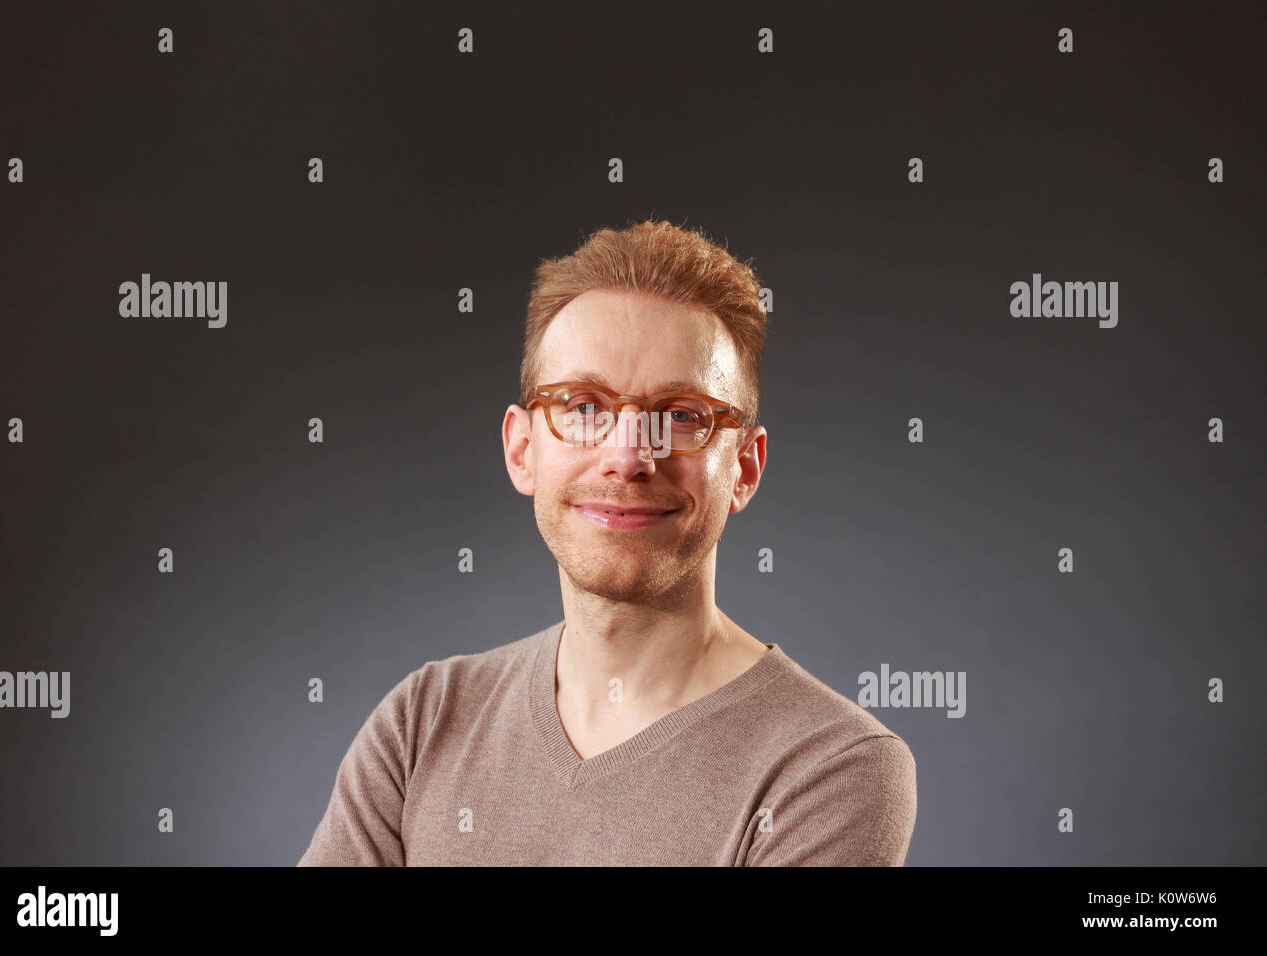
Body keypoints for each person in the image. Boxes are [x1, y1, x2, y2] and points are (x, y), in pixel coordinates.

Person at [298, 220, 917, 865]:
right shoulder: (422, 722)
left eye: (681, 416)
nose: (628, 457)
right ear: (521, 449)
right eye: (583, 405)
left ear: (745, 468)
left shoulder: (831, 769)